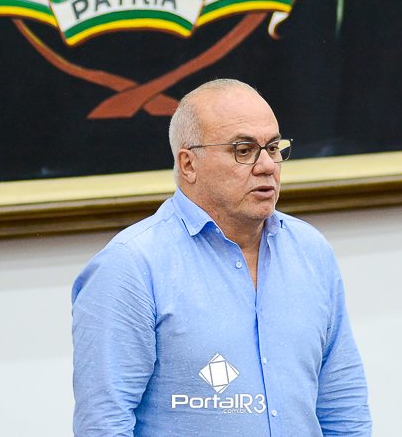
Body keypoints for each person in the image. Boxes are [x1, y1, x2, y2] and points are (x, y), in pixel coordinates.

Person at [72, 79, 371, 436]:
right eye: (243, 150)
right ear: (188, 164)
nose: (267, 166)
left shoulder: (311, 251)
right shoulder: (131, 266)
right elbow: (104, 424)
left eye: (273, 148)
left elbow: (342, 405)